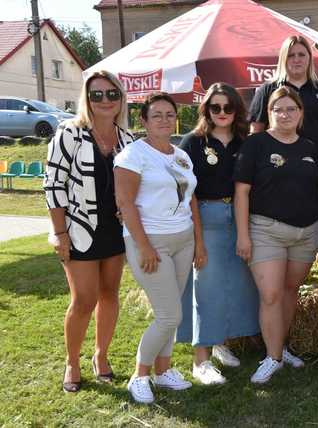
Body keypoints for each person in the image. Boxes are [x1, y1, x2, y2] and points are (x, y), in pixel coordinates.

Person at [43, 70, 134, 393]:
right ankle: (72, 362)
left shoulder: (127, 139)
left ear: (121, 98)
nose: (105, 100)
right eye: (97, 95)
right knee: (84, 299)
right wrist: (60, 233)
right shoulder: (69, 133)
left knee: (109, 295)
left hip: (115, 231)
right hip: (80, 230)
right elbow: (53, 186)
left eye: (112, 94)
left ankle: (101, 356)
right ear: (87, 99)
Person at [114, 93, 203, 404]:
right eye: (157, 115)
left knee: (171, 313)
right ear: (144, 120)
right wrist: (144, 247)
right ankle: (139, 376)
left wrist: (199, 243)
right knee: (169, 316)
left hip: (183, 239)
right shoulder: (132, 155)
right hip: (150, 241)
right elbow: (125, 203)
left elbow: (191, 198)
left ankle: (163, 372)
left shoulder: (181, 155)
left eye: (169, 114)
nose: (164, 120)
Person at [234, 86, 318, 384]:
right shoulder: (255, 144)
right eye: (277, 109)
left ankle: (280, 349)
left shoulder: (310, 148)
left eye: (290, 109)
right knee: (271, 294)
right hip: (266, 231)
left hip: (306, 233)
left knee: (289, 291)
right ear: (268, 113)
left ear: (300, 113)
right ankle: (271, 358)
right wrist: (243, 235)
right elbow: (242, 192)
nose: (284, 114)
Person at [176, 83, 260, 385]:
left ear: (237, 109)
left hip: (240, 219)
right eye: (215, 107)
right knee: (207, 288)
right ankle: (201, 360)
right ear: (206, 110)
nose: (222, 112)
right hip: (206, 218)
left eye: (228, 107)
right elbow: (185, 193)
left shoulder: (245, 142)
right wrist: (198, 239)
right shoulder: (192, 143)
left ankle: (221, 341)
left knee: (236, 284)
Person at [249, 35, 318, 150]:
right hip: (277, 160)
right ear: (283, 58)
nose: (296, 59)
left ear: (309, 57)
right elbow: (256, 130)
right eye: (291, 55)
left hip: (316, 160)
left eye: (301, 55)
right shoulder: (268, 89)